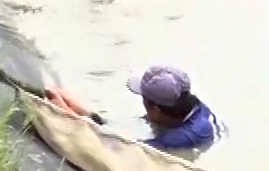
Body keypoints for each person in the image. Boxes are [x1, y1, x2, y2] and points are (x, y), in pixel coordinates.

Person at [47, 65, 224, 152]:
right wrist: (87, 113)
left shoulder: (174, 139)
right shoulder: (185, 103)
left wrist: (66, 117)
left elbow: (113, 149)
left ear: (155, 110)